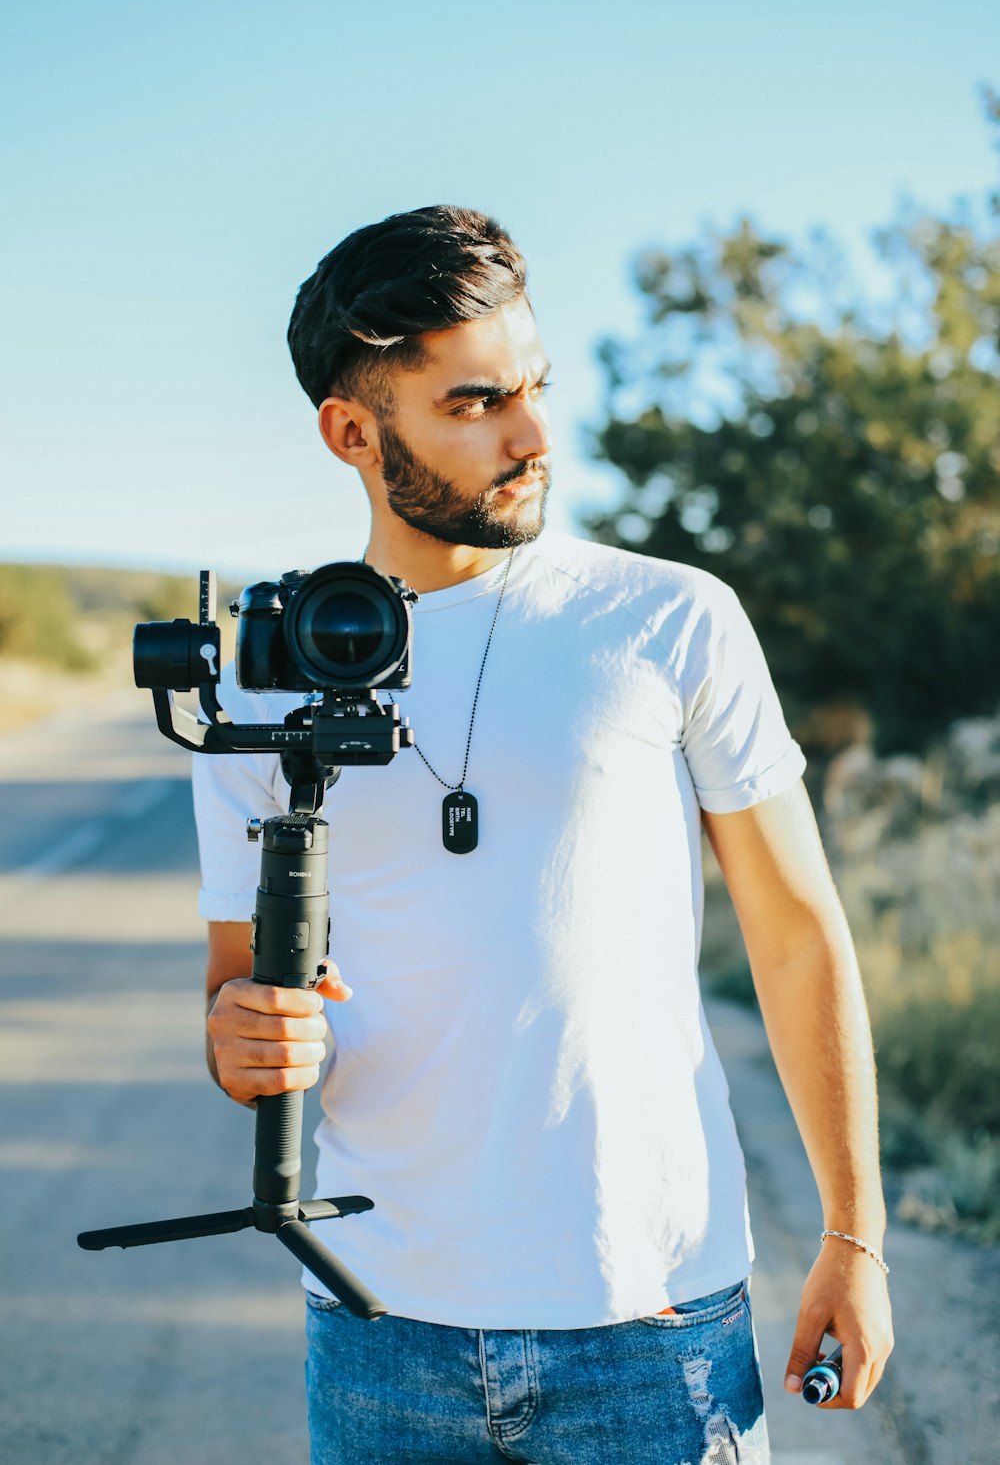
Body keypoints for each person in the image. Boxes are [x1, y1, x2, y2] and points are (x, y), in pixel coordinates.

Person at [193, 206, 893, 1464]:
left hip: (650, 1317)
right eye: (473, 404)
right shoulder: (263, 672)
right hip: (376, 1320)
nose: (531, 436)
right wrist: (239, 1038)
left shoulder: (672, 620)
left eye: (534, 388)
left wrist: (856, 1234)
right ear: (354, 432)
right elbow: (239, 1003)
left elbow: (796, 941)